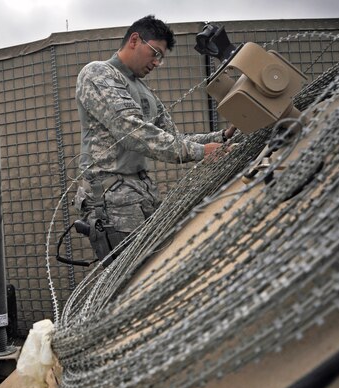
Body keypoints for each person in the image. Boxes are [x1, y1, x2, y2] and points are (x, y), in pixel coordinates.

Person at [74, 15, 235, 263]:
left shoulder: (142, 89)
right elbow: (133, 132)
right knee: (129, 280)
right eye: (155, 53)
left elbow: (172, 138)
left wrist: (220, 138)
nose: (157, 63)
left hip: (140, 196)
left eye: (161, 57)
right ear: (135, 40)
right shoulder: (98, 73)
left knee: (153, 269)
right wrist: (202, 152)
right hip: (113, 201)